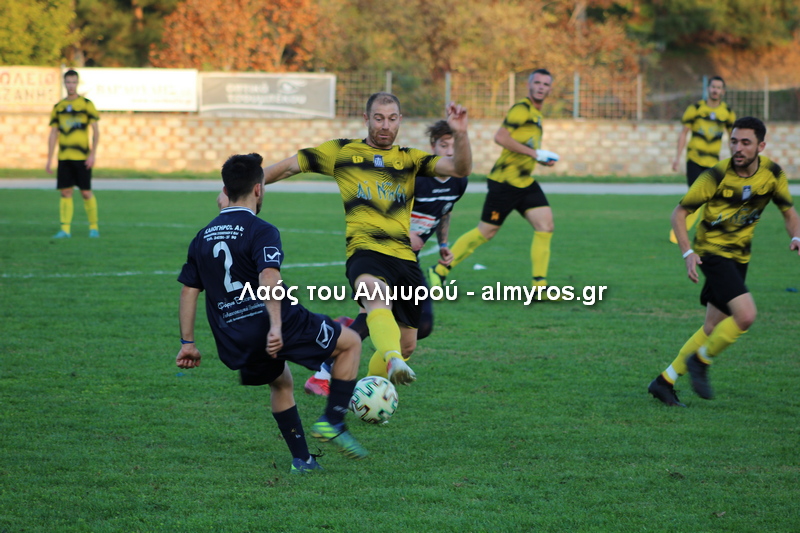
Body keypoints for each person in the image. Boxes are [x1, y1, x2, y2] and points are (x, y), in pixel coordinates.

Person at [263, 93, 471, 389]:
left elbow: (460, 169)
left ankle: (371, 390)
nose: (385, 125)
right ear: (366, 119)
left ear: (399, 120)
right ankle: (392, 357)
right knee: (375, 295)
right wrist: (240, 189)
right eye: (378, 118)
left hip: (404, 258)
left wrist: (461, 133)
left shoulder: (410, 159)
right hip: (365, 251)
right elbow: (287, 167)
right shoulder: (342, 152)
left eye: (392, 118)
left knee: (409, 342)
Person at [176, 153, 368, 473]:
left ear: (225, 190)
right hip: (275, 323)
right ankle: (334, 420)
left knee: (280, 382)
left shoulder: (203, 236)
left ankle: (302, 460)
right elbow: (269, 277)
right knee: (350, 343)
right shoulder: (261, 229)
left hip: (233, 337)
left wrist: (187, 343)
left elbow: (188, 290)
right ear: (258, 190)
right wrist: (276, 326)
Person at [649, 117, 800, 407]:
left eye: (745, 142)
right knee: (745, 316)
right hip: (713, 253)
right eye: (734, 141)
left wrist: (797, 236)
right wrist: (687, 251)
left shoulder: (772, 174)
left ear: (761, 145)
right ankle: (701, 361)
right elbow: (679, 213)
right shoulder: (715, 176)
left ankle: (664, 381)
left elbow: (789, 212)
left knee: (711, 326)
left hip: (740, 256)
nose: (738, 148)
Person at [427, 69, 559, 297]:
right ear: (529, 85)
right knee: (485, 232)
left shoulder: (537, 115)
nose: (541, 87)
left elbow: (524, 146)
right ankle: (439, 270)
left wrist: (539, 157)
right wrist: (535, 154)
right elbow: (501, 137)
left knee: (545, 225)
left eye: (545, 84)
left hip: (524, 182)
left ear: (549, 89)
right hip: (504, 183)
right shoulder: (521, 109)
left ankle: (540, 287)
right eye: (537, 82)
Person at [669, 76, 736, 244]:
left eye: (719, 88)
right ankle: (678, 231)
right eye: (713, 87)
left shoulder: (727, 112)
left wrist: (736, 159)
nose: (715, 90)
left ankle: (703, 232)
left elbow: (732, 138)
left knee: (710, 200)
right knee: (696, 197)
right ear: (709, 89)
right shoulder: (696, 108)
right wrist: (677, 158)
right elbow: (683, 133)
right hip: (694, 160)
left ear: (723, 91)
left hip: (712, 162)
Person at [46, 69, 101, 239]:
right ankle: (65, 230)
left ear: (77, 83)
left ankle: (94, 228)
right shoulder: (59, 107)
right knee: (65, 192)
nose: (70, 85)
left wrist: (92, 154)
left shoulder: (86, 104)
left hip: (83, 157)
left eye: (73, 82)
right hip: (64, 157)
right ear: (64, 84)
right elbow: (54, 133)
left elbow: (96, 132)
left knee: (85, 192)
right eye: (68, 82)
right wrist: (49, 158)